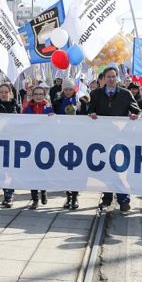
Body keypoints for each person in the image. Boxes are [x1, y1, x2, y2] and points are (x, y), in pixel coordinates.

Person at [88, 67, 141, 212]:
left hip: (121, 137)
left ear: (117, 78)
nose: (111, 79)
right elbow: (90, 109)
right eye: (108, 76)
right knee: (106, 169)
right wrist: (91, 113)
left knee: (120, 169)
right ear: (104, 78)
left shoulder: (125, 93)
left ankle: (124, 200)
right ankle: (107, 199)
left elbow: (137, 110)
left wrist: (135, 115)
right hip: (103, 138)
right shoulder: (95, 94)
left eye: (113, 76)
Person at [0, 84, 21, 208]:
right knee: (2, 170)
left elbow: (23, 122)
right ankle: (6, 192)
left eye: (6, 92)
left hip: (13, 141)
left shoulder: (16, 106)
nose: (3, 94)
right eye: (1, 92)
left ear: (10, 93)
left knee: (11, 170)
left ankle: (9, 195)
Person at [53, 79, 83, 210]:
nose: (68, 91)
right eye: (66, 89)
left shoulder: (80, 101)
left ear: (74, 89)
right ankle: (68, 196)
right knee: (64, 169)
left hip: (77, 137)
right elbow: (54, 113)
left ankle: (75, 196)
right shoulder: (57, 101)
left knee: (75, 168)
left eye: (70, 89)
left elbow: (84, 115)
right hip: (62, 136)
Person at [23, 86, 53, 209]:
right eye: (36, 94)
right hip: (31, 142)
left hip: (44, 143)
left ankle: (44, 191)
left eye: (41, 94)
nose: (38, 96)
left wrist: (53, 117)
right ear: (33, 95)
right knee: (32, 172)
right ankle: (35, 198)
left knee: (43, 170)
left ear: (44, 95)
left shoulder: (49, 107)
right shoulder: (27, 108)